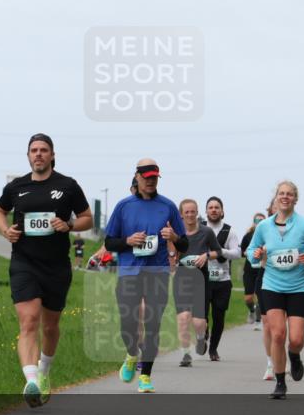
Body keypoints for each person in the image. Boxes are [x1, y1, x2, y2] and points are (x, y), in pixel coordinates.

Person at [0, 134, 93, 407]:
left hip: (56, 266)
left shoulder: (68, 186)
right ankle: (31, 382)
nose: (38, 154)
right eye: (34, 150)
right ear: (28, 156)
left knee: (50, 327)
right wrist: (5, 230)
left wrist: (69, 226)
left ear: (52, 155)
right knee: (29, 321)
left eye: (43, 150)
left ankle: (44, 372)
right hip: (24, 263)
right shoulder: (16, 187)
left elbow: (87, 218)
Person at [104, 159, 188, 393]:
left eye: (154, 177)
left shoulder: (168, 206)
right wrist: (128, 241)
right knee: (128, 323)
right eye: (147, 176)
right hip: (129, 272)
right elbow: (109, 241)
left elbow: (185, 243)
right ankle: (132, 354)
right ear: (137, 177)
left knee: (153, 324)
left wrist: (173, 236)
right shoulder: (124, 206)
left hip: (157, 272)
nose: (151, 181)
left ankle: (146, 376)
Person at [246, 181, 304, 399]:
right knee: (278, 334)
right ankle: (280, 382)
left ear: (295, 199)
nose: (285, 197)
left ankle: (295, 356)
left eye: (289, 194)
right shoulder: (264, 226)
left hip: (298, 286)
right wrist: (257, 254)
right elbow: (251, 250)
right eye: (282, 193)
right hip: (272, 285)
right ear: (276, 198)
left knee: (296, 339)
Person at [173, 199, 222, 367]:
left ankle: (201, 338)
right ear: (181, 214)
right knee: (183, 318)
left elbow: (218, 251)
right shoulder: (176, 233)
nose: (190, 215)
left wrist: (206, 256)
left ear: (197, 212)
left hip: (201, 279)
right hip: (181, 278)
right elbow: (170, 252)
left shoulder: (206, 232)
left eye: (193, 211)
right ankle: (185, 354)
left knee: (199, 322)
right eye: (186, 212)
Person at [204, 196, 242, 361]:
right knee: (201, 316)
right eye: (210, 207)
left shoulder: (230, 231)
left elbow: (237, 253)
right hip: (203, 279)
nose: (213, 210)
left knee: (219, 317)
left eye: (216, 207)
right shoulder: (200, 229)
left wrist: (220, 252)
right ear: (206, 211)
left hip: (222, 281)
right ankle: (202, 334)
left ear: (222, 211)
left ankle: (213, 349)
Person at [239, 213, 266, 329]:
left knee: (260, 296)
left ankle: (258, 321)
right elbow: (241, 252)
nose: (259, 222)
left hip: (263, 269)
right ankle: (251, 310)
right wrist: (246, 253)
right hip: (250, 270)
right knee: (248, 298)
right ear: (254, 222)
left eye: (261, 220)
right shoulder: (248, 236)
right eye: (257, 220)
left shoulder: (268, 235)